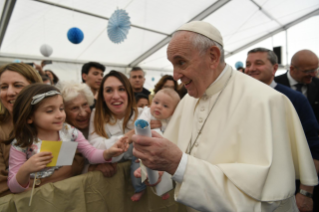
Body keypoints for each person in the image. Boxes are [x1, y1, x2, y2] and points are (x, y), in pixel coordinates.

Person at [132, 21, 318, 212]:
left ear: (213, 56)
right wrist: (157, 168)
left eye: (181, 62)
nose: (175, 75)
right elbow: (174, 162)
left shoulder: (266, 101)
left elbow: (259, 199)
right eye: (172, 64)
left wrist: (178, 164)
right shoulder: (187, 100)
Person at [7, 83, 128, 193]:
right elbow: (13, 187)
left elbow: (91, 153)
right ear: (29, 117)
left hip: (67, 194)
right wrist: (26, 169)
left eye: (61, 108)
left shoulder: (70, 132)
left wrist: (108, 153)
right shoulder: (21, 144)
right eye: (50, 111)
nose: (60, 115)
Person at [245, 47, 319, 212]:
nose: (251, 68)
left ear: (275, 68)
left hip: (284, 192)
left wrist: (305, 192)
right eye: (248, 64)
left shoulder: (293, 99)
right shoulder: (239, 99)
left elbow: (312, 145)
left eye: (258, 63)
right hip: (248, 191)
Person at [89, 70, 162, 202]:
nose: (116, 96)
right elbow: (94, 149)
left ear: (128, 92)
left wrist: (162, 125)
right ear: (102, 96)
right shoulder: (96, 115)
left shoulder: (144, 113)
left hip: (149, 192)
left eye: (121, 89)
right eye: (109, 90)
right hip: (112, 194)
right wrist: (132, 134)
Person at [0, 63, 45, 197]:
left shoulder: (55, 121)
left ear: (35, 88)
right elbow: (3, 187)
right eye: (3, 87)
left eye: (18, 85)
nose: (10, 92)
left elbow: (75, 165)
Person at [57, 81, 118, 177]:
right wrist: (90, 168)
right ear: (63, 112)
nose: (83, 113)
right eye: (74, 108)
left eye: (85, 105)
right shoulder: (64, 134)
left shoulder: (100, 123)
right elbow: (66, 170)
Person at [275, 50, 319, 124]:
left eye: (315, 70)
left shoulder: (317, 84)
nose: (313, 75)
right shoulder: (275, 85)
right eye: (308, 71)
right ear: (292, 69)